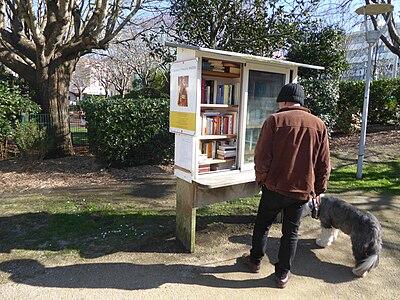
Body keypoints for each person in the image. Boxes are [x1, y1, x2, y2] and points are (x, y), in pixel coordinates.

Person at [242, 83, 331, 288]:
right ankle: (282, 274)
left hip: (274, 186)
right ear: (301, 102)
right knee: (291, 233)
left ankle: (255, 261)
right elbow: (324, 162)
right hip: (301, 190)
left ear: (283, 101)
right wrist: (319, 189)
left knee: (262, 224)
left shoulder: (274, 120)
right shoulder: (319, 125)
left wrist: (261, 178)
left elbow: (262, 155)